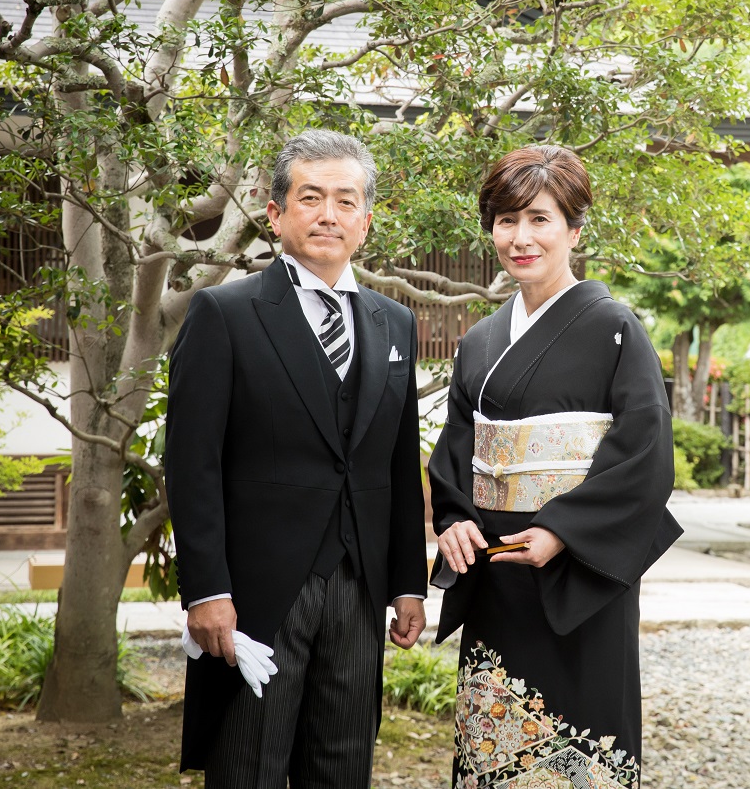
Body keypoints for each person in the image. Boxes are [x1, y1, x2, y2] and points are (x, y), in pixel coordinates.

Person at [166, 129, 428, 787]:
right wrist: (207, 590)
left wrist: (406, 583)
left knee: (342, 765)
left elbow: (396, 463)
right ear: (276, 213)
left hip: (360, 591)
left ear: (366, 221)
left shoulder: (393, 323)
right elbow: (191, 464)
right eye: (310, 197)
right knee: (251, 764)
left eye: (346, 200)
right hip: (258, 592)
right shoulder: (225, 314)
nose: (328, 214)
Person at [427, 145, 681, 789]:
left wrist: (561, 530)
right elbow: (459, 445)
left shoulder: (615, 327)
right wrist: (454, 516)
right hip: (496, 569)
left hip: (578, 570)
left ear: (574, 228)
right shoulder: (482, 338)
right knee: (496, 748)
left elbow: (645, 451)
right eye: (507, 220)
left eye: (540, 219)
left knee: (582, 740)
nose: (521, 237)